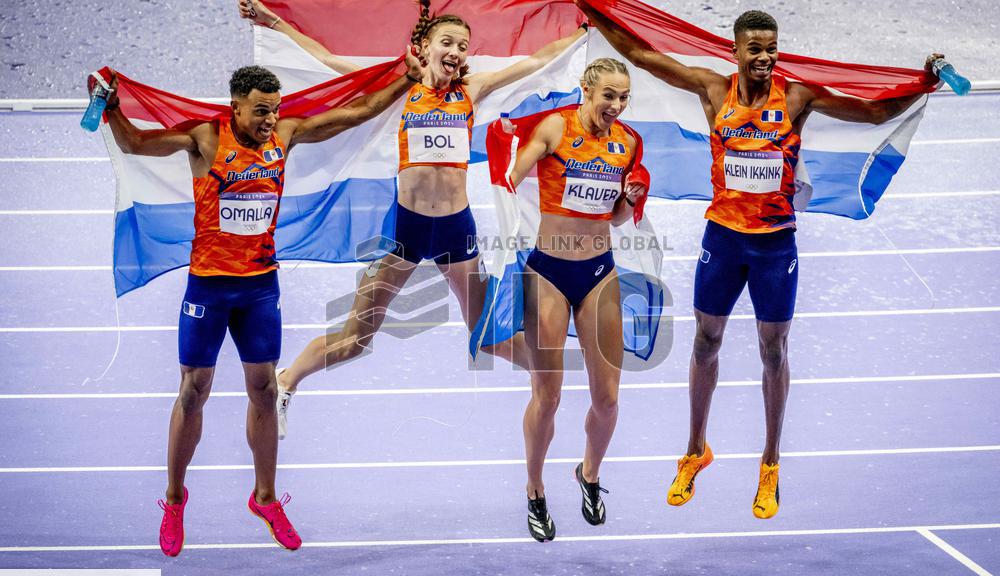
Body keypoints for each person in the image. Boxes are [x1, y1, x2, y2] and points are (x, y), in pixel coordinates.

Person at [579, 2, 941, 518]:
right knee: (706, 343)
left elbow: (876, 112)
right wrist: (591, 10)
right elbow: (640, 52)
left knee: (774, 351)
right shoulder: (713, 89)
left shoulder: (796, 96)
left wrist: (921, 82)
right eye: (756, 50)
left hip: (774, 246)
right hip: (723, 240)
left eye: (772, 49)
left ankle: (770, 464)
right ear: (736, 50)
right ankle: (694, 450)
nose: (766, 58)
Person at [101, 54, 424, 555]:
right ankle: (173, 499)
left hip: (259, 289)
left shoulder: (285, 136)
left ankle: (266, 497)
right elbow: (135, 143)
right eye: (259, 111)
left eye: (273, 109)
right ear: (235, 107)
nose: (269, 119)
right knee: (194, 389)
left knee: (264, 390)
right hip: (208, 288)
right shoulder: (206, 139)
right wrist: (111, 106)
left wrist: (406, 76)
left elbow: (356, 112)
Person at [265, 0, 589, 441]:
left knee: (485, 335)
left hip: (457, 230)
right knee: (357, 337)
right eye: (448, 42)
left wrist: (583, 32)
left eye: (463, 45)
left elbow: (535, 61)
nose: (456, 51)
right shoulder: (404, 86)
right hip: (407, 231)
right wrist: (277, 23)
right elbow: (328, 60)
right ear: (426, 47)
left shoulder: (472, 90)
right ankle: (285, 382)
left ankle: (549, 372)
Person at [505, 58, 646, 541]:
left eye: (624, 97)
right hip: (548, 271)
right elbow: (512, 174)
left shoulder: (627, 142)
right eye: (608, 94)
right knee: (548, 397)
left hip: (599, 273)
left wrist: (629, 198)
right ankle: (535, 490)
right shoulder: (554, 126)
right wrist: (517, 160)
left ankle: (588, 474)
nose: (616, 105)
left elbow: (619, 219)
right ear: (586, 89)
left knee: (607, 399)